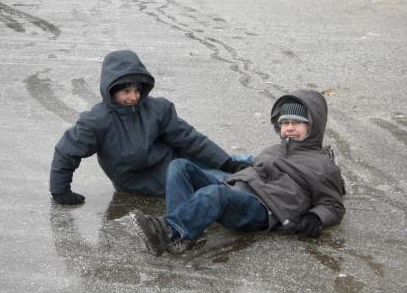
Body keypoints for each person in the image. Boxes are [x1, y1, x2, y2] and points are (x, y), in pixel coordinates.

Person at [131, 90, 346, 256]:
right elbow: (253, 167)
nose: (289, 128)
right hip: (236, 189)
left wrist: (316, 216)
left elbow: (333, 205)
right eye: (285, 123)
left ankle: (168, 231)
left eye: (297, 123)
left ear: (313, 126)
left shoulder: (322, 166)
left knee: (216, 193)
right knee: (179, 166)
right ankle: (184, 236)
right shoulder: (273, 150)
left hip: (264, 210)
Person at [50, 50, 252, 205]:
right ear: (110, 90)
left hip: (177, 159)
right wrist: (61, 192)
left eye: (137, 90)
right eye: (126, 91)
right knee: (228, 182)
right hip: (148, 180)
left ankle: (275, 168)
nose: (134, 97)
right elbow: (66, 152)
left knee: (243, 162)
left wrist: (226, 162)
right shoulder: (96, 121)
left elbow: (189, 138)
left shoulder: (157, 109)